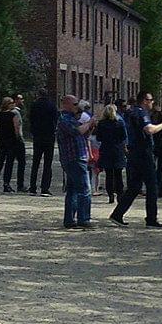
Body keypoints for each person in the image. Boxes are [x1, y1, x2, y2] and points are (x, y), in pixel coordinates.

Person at [113, 90, 162, 227]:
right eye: (151, 100)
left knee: (134, 186)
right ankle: (151, 219)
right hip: (143, 153)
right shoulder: (141, 113)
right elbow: (149, 130)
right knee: (152, 186)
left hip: (134, 152)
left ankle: (117, 214)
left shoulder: (131, 112)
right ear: (144, 101)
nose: (152, 103)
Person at [57, 94, 94, 227]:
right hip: (74, 158)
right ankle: (84, 219)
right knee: (84, 189)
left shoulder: (72, 118)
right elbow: (77, 131)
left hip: (78, 157)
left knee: (72, 190)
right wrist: (89, 122)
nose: (77, 107)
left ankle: (69, 219)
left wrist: (90, 126)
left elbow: (84, 133)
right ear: (66, 104)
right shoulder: (64, 119)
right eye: (75, 104)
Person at [28, 85, 60, 196]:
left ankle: (32, 187)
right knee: (48, 163)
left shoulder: (34, 105)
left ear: (39, 95)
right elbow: (56, 119)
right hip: (49, 136)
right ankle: (45, 188)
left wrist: (33, 131)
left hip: (37, 136)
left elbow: (30, 118)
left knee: (35, 162)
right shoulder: (51, 105)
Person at [0, 95, 25, 192]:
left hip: (2, 140)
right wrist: (18, 139)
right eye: (12, 103)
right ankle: (6, 184)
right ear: (8, 104)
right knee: (9, 164)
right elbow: (16, 129)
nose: (13, 105)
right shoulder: (12, 115)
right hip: (11, 141)